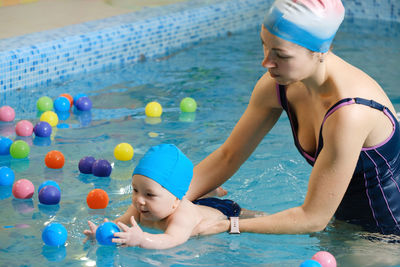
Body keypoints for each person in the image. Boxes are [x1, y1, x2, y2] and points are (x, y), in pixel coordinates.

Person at [185, 0, 400, 236]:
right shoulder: (278, 85)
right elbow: (228, 156)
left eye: (281, 55)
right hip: (337, 219)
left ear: (320, 51)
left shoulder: (350, 114)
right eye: (264, 45)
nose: (266, 62)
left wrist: (228, 226)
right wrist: (170, 199)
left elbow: (313, 219)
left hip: (386, 236)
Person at [83, 144, 263, 249]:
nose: (139, 199)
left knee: (254, 217)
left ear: (177, 199)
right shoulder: (141, 206)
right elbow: (120, 223)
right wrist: (101, 233)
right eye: (135, 190)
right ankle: (211, 192)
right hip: (191, 203)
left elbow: (172, 240)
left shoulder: (181, 217)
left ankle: (215, 195)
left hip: (221, 210)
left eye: (149, 194)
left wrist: (142, 239)